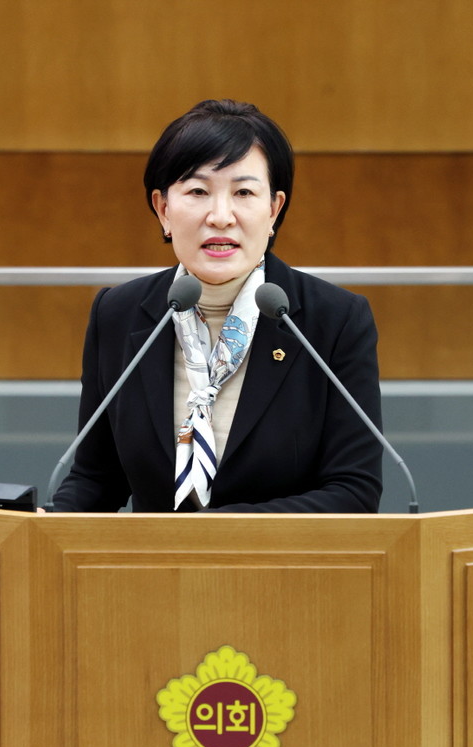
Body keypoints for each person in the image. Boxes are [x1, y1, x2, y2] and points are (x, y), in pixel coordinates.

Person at [51, 99, 383, 513]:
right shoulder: (118, 313)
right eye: (198, 191)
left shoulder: (333, 321)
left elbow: (354, 492)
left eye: (243, 192)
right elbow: (97, 477)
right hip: (151, 558)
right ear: (163, 209)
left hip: (279, 557)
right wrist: (51, 523)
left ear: (274, 209)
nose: (221, 216)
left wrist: (213, 537)